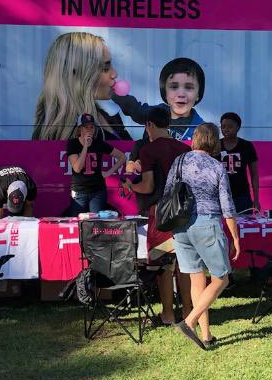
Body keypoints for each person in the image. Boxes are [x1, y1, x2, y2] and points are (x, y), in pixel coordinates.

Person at [164, 123, 240, 350]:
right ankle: (189, 321)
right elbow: (227, 206)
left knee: (197, 280)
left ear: (195, 139)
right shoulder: (216, 166)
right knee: (221, 278)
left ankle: (206, 335)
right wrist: (235, 237)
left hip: (180, 226)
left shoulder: (178, 162)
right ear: (214, 141)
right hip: (207, 224)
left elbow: (168, 192)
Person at [124, 107, 192, 326]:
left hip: (160, 215)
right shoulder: (184, 148)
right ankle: (189, 312)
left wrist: (129, 186)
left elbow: (148, 185)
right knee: (185, 263)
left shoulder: (149, 150)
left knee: (164, 265)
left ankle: (168, 315)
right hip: (184, 214)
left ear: (150, 125)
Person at [32, 31, 131, 141]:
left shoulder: (105, 117)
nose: (114, 74)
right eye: (105, 68)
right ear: (77, 74)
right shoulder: (63, 133)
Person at [111, 57, 205, 140]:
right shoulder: (155, 112)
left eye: (188, 87)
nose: (181, 94)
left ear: (198, 94)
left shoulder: (202, 130)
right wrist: (110, 91)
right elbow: (134, 108)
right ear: (165, 92)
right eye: (174, 87)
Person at [66, 113, 127, 214]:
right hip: (79, 192)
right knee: (76, 222)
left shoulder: (99, 143)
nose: (90, 130)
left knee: (96, 222)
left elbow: (122, 157)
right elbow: (77, 168)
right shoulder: (73, 144)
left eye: (92, 127)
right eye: (86, 127)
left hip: (97, 191)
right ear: (80, 129)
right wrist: (86, 146)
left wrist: (108, 172)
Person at [219, 112, 260, 213]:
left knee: (244, 226)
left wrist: (256, 199)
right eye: (223, 127)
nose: (226, 129)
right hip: (220, 197)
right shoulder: (215, 145)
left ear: (238, 127)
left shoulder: (247, 146)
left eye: (230, 127)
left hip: (242, 197)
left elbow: (254, 175)